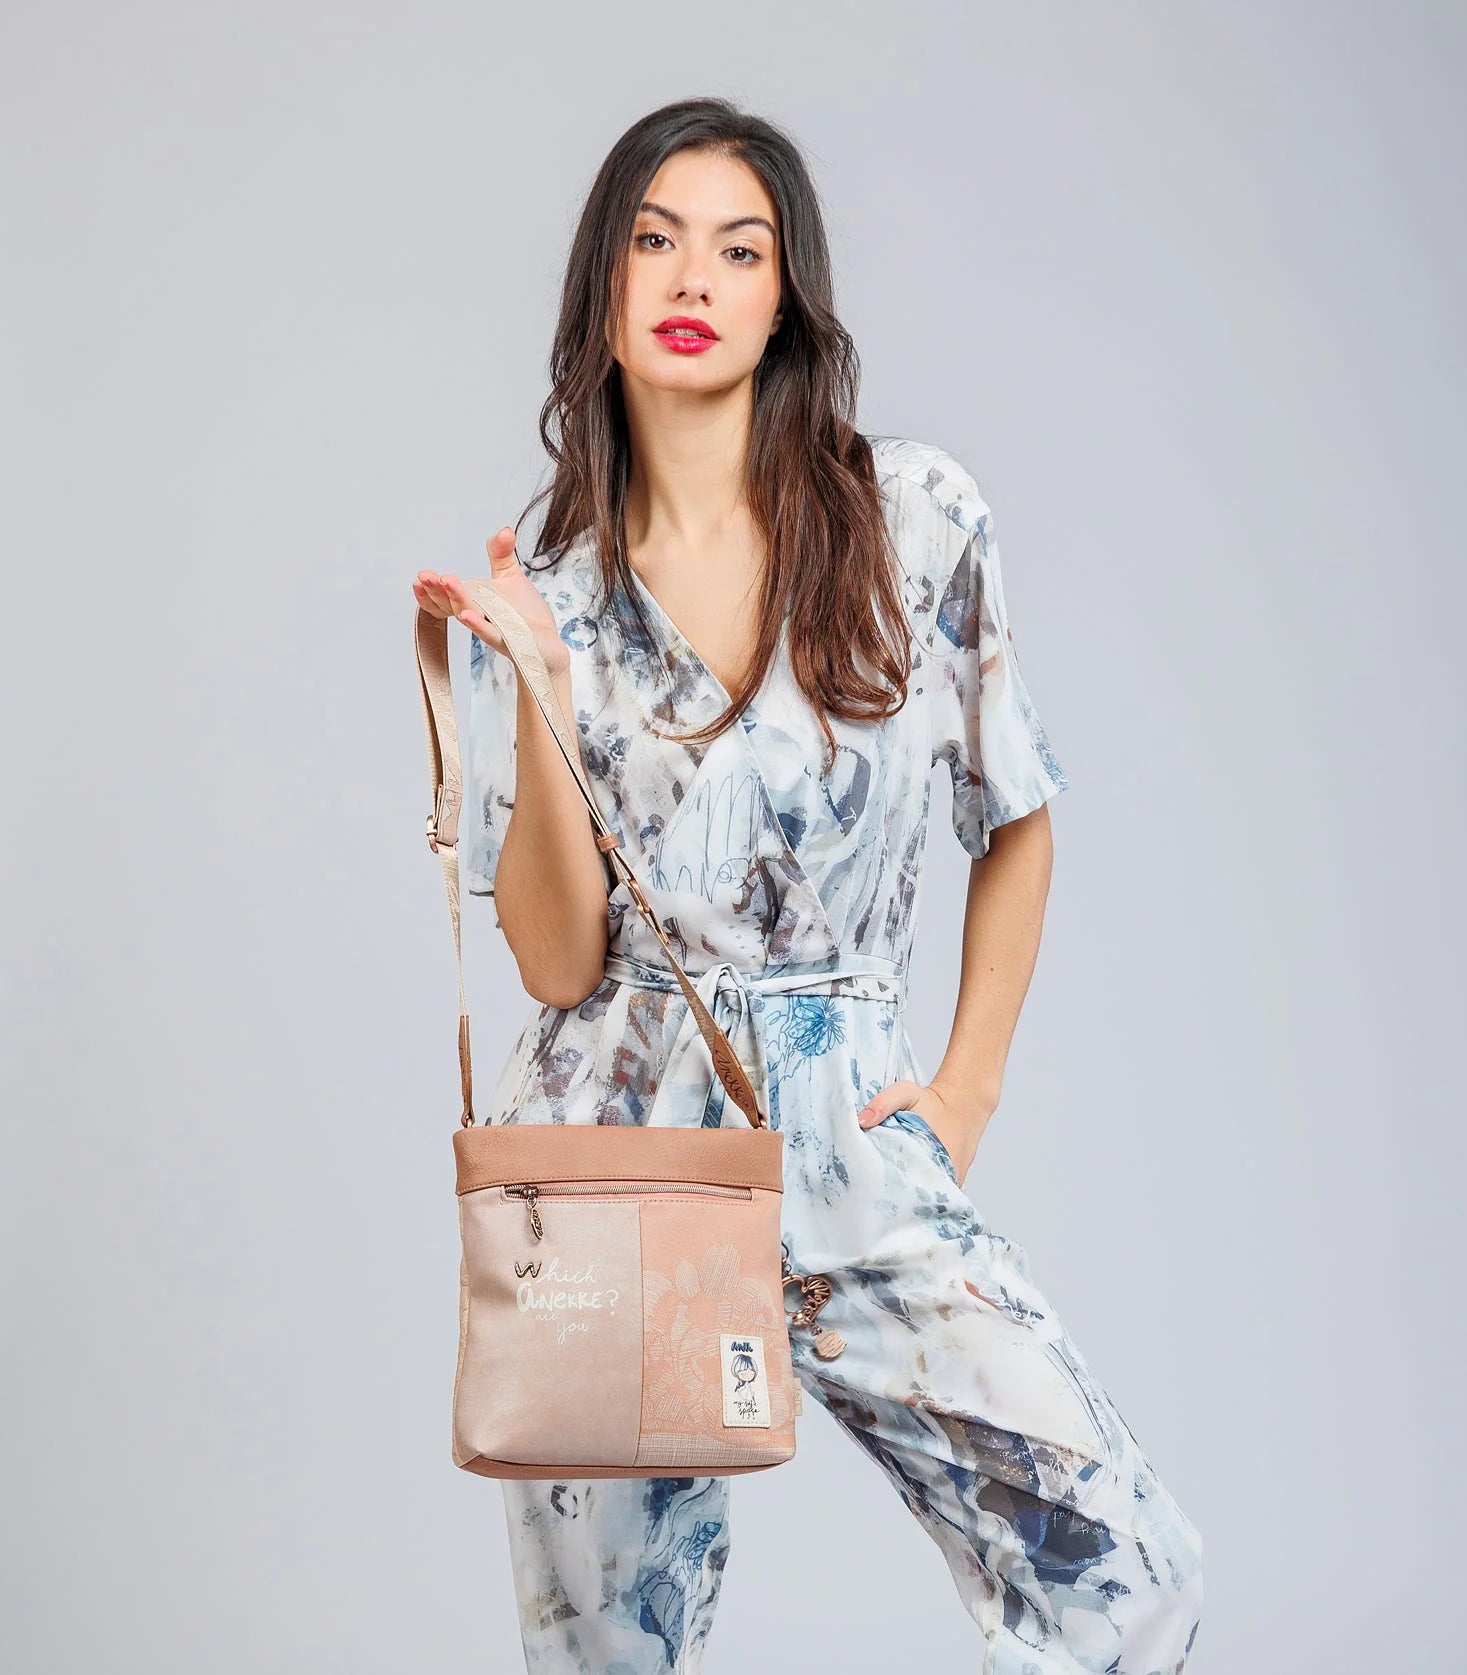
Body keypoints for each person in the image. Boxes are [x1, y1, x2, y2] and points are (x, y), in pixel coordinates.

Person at [411, 96, 1203, 1675]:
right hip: (616, 1163)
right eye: (654, 240)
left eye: (739, 248)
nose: (691, 277)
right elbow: (557, 965)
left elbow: (1016, 813)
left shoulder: (910, 520)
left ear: (787, 299)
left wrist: (964, 1090)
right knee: (611, 1654)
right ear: (603, 286)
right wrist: (545, 692)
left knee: (1126, 1574)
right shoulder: (548, 598)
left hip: (852, 1131)